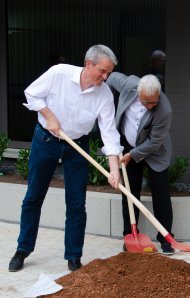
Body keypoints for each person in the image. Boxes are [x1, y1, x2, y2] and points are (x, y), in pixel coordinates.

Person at [8, 45, 122, 272]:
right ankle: (23, 249)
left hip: (77, 147)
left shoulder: (105, 94)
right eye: (102, 71)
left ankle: (73, 256)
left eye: (108, 73)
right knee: (34, 196)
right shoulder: (59, 73)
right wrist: (49, 115)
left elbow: (109, 132)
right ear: (89, 64)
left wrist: (114, 170)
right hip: (46, 140)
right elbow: (32, 93)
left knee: (77, 203)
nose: (105, 77)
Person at [106, 72, 174, 253]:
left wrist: (132, 154)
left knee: (160, 193)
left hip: (155, 152)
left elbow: (154, 142)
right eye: (146, 102)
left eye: (154, 102)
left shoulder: (164, 110)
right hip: (128, 146)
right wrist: (106, 102)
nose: (150, 105)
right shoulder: (129, 85)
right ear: (138, 93)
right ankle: (130, 234)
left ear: (159, 95)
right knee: (129, 192)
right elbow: (110, 78)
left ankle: (165, 237)